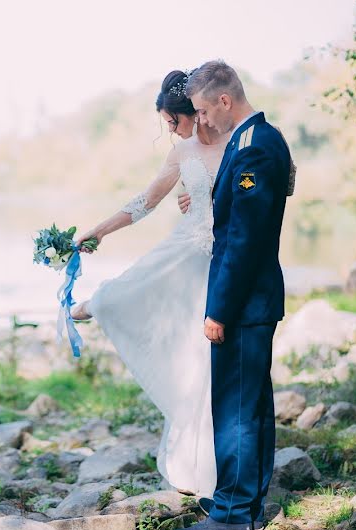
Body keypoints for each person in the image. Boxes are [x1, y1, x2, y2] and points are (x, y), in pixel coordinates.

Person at [72, 69, 229, 499]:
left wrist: (203, 199)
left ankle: (219, 467)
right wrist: (99, 231)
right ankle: (102, 302)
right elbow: (145, 201)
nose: (170, 128)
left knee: (210, 359)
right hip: (186, 251)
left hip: (224, 259)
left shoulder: (238, 141)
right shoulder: (182, 153)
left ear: (194, 113)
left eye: (172, 120)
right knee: (185, 346)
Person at [169, 60, 292, 530]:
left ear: (224, 100)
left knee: (237, 409)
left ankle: (235, 514)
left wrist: (218, 310)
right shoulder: (255, 141)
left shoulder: (256, 147)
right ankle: (245, 500)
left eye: (202, 111)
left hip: (244, 302)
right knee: (251, 404)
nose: (201, 122)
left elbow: (243, 241)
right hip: (252, 300)